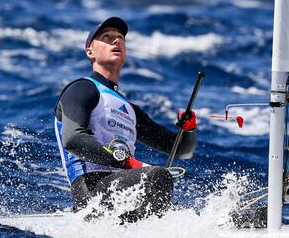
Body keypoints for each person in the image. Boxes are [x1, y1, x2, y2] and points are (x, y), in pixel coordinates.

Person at [54, 16, 197, 221]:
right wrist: (126, 162)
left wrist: (189, 129)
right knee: (158, 176)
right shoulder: (81, 88)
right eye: (107, 37)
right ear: (90, 52)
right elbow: (72, 139)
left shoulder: (128, 109)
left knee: (184, 210)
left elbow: (182, 150)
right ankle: (144, 230)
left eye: (120, 38)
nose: (116, 41)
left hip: (123, 188)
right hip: (91, 193)